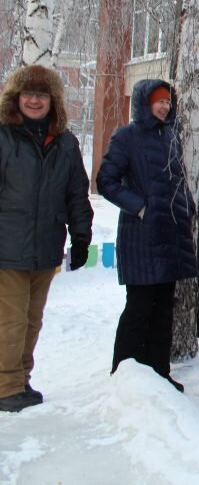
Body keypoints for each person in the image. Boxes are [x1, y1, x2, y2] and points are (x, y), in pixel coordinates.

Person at [0, 65, 93, 412]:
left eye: (42, 94)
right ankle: (6, 386)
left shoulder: (66, 143)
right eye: (29, 94)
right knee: (9, 320)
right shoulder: (4, 136)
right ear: (16, 98)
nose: (35, 100)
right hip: (7, 246)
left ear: (52, 100)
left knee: (32, 320)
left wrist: (81, 236)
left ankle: (19, 379)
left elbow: (76, 194)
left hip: (45, 247)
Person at [97, 79, 196, 392]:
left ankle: (159, 374)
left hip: (170, 233)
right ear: (144, 102)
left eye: (168, 101)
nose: (165, 106)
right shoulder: (127, 136)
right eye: (158, 101)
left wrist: (189, 208)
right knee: (139, 308)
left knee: (164, 309)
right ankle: (123, 376)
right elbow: (106, 181)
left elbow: (178, 179)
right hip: (141, 236)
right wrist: (138, 206)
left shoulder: (170, 136)